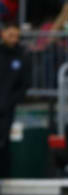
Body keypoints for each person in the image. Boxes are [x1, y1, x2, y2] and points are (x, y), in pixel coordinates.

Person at [0, 22, 31, 178]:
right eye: (10, 35)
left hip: (7, 108)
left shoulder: (23, 56)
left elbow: (25, 85)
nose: (14, 39)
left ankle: (5, 178)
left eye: (17, 36)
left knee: (3, 142)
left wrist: (10, 101)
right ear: (2, 34)